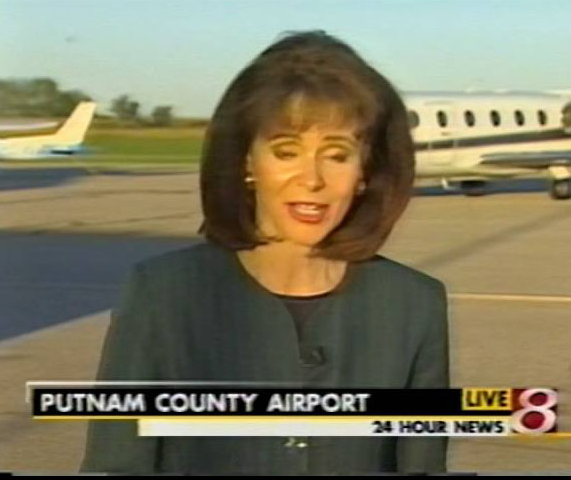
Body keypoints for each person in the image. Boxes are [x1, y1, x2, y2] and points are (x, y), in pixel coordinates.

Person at [81, 30, 449, 475]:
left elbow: (423, 465)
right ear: (247, 162)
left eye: (336, 154)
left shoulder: (414, 304)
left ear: (365, 172)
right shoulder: (162, 293)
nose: (311, 179)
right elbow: (118, 463)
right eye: (286, 151)